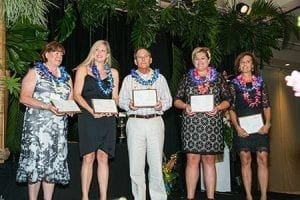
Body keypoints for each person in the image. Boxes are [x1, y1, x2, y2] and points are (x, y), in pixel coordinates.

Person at [16, 41, 72, 200]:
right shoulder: (35, 72)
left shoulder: (66, 76)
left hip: (58, 129)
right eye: (55, 52)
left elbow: (70, 100)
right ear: (46, 54)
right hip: (37, 128)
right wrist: (47, 106)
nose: (59, 56)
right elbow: (24, 98)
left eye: (61, 53)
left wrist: (71, 110)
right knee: (36, 164)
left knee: (52, 165)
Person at [174, 47, 232, 200]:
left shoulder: (218, 78)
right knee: (192, 159)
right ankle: (190, 197)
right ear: (193, 61)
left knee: (208, 159)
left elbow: (228, 99)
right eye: (197, 59)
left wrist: (218, 107)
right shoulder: (186, 78)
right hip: (191, 124)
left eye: (203, 58)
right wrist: (185, 106)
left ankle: (210, 197)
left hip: (211, 124)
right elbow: (177, 100)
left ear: (209, 60)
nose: (200, 61)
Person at [118, 47, 172, 200]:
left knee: (155, 164)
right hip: (135, 122)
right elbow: (121, 100)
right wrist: (130, 105)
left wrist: (162, 105)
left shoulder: (160, 78)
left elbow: (169, 100)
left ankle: (159, 197)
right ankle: (139, 197)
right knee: (136, 166)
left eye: (145, 56)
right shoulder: (129, 79)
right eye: (139, 57)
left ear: (151, 59)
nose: (142, 60)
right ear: (135, 61)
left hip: (155, 121)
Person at [73, 40, 119, 200]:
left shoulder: (113, 72)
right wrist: (91, 110)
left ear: (107, 55)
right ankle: (85, 197)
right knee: (88, 157)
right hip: (88, 116)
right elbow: (76, 94)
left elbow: (115, 97)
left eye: (103, 51)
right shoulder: (83, 70)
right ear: (93, 52)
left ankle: (103, 197)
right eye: (97, 50)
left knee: (103, 157)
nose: (100, 53)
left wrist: (112, 108)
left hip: (107, 118)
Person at [229, 52, 271, 200]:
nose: (245, 64)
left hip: (260, 128)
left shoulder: (260, 82)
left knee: (263, 159)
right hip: (243, 128)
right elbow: (231, 108)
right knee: (245, 160)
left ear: (253, 65)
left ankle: (264, 196)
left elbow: (266, 105)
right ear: (239, 66)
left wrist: (267, 124)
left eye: (248, 62)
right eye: (242, 62)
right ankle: (248, 196)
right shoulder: (233, 84)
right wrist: (237, 127)